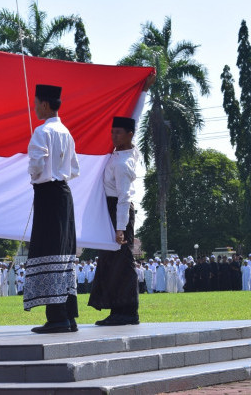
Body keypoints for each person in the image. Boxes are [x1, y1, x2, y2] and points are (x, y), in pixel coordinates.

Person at [88, 72, 152, 326]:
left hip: (118, 211)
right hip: (110, 210)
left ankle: (126, 312)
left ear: (129, 135)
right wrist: (143, 92)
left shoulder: (125, 162)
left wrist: (120, 229)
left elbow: (124, 198)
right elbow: (134, 116)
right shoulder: (122, 150)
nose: (112, 136)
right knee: (109, 261)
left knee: (121, 263)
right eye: (112, 131)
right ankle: (116, 309)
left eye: (117, 132)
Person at [24, 84, 80, 334]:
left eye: (36, 103)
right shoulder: (66, 132)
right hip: (64, 194)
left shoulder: (42, 131)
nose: (34, 107)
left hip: (47, 194)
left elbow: (36, 165)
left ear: (45, 104)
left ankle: (56, 317)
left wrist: (35, 175)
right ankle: (68, 315)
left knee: (49, 251)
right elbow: (75, 168)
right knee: (64, 253)